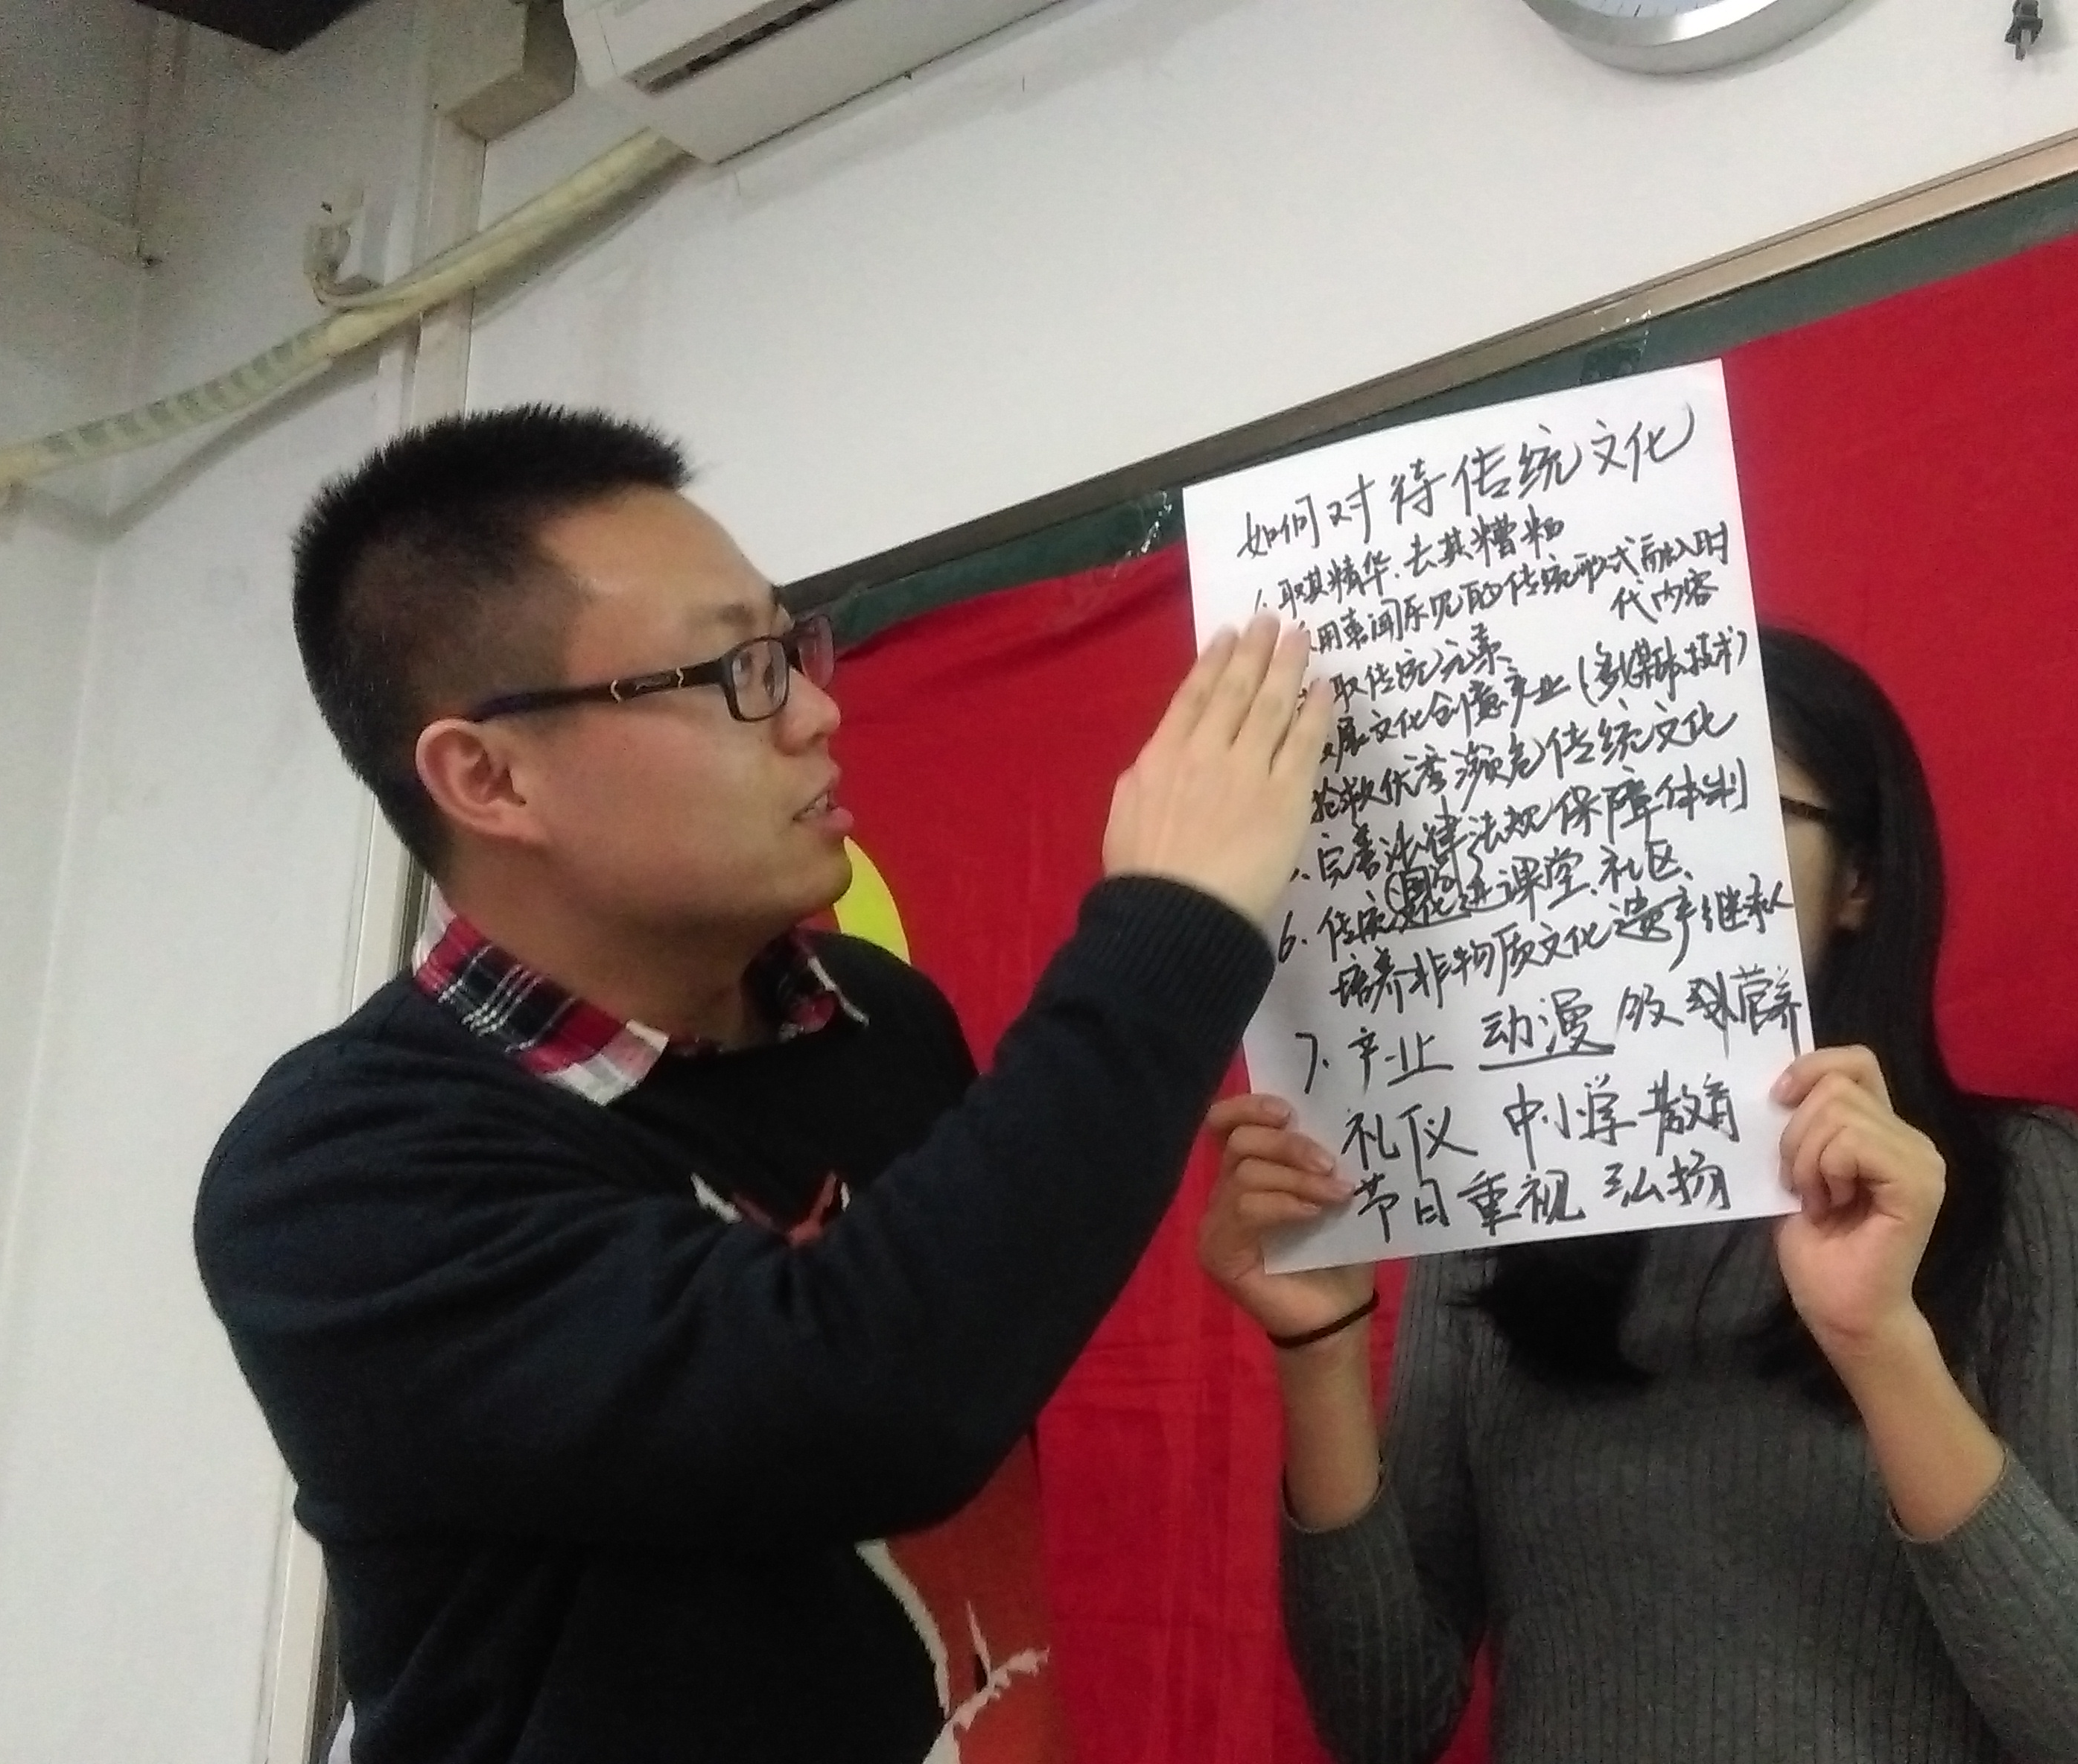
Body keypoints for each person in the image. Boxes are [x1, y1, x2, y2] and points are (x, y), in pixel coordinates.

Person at [194, 404, 1330, 1764]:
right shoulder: (336, 1176)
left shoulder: (878, 1019)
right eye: (737, 670)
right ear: (489, 776)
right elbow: (861, 1398)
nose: (815, 711)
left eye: (791, 650)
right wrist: (1176, 919)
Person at [1198, 627, 2078, 1764]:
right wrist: (1323, 1350)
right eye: (1614, 820)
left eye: (1723, 808)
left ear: (1862, 879)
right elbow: (1384, 1723)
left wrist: (1883, 1343)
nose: (1657, 863)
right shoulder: (1500, 1206)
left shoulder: (2035, 1193)